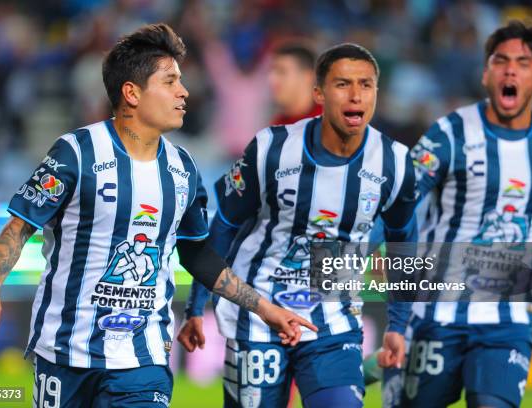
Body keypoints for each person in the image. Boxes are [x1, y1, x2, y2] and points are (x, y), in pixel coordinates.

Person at [0, 23, 316, 408]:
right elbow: (20, 227)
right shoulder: (77, 152)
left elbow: (197, 254)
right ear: (131, 93)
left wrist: (264, 309)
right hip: (65, 354)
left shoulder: (183, 169)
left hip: (143, 358)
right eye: (170, 82)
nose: (183, 92)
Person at [178, 43, 418, 408]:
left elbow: (404, 244)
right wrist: (197, 305)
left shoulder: (395, 163)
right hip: (257, 318)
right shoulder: (271, 148)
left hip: (333, 324)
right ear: (319, 93)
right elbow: (224, 226)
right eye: (343, 84)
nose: (355, 95)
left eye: (365, 85)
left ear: (376, 93)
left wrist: (398, 326)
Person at [390, 20, 532, 408]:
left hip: (508, 320)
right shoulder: (448, 133)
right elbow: (399, 203)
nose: (510, 70)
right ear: (486, 72)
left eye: (523, 62)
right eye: (500, 60)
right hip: (437, 313)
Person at [268, 43, 322, 125]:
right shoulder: (278, 126)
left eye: (281, 71)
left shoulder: (333, 122)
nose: (272, 79)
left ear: (308, 77)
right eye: (272, 72)